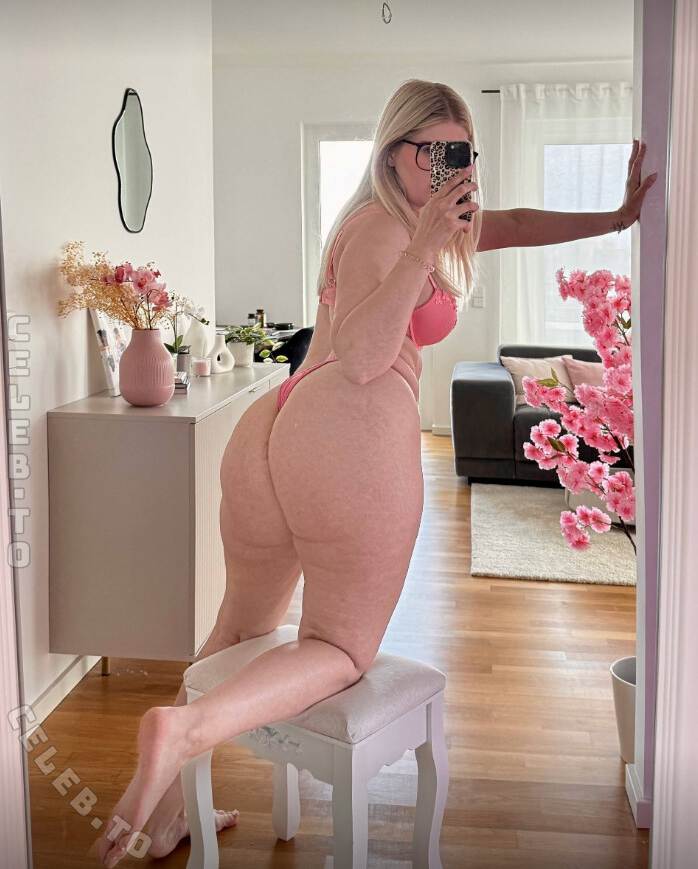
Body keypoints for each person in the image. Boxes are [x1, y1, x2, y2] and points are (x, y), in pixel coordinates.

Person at [97, 80, 655, 866]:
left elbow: (521, 223)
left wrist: (617, 217)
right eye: (436, 152)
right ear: (392, 152)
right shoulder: (384, 231)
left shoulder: (412, 221)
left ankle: (162, 812)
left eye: (464, 152)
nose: (455, 168)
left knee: (239, 631)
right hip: (342, 432)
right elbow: (362, 357)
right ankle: (184, 727)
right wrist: (424, 245)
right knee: (339, 647)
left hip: (278, 427)